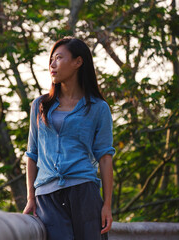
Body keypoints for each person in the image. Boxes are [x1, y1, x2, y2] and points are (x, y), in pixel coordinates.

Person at [23, 37, 115, 240]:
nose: (52, 65)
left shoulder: (98, 108)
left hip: (84, 192)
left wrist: (107, 205)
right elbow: (32, 154)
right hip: (47, 197)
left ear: (78, 62)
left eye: (58, 58)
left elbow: (105, 157)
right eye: (51, 60)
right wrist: (31, 197)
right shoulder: (40, 105)